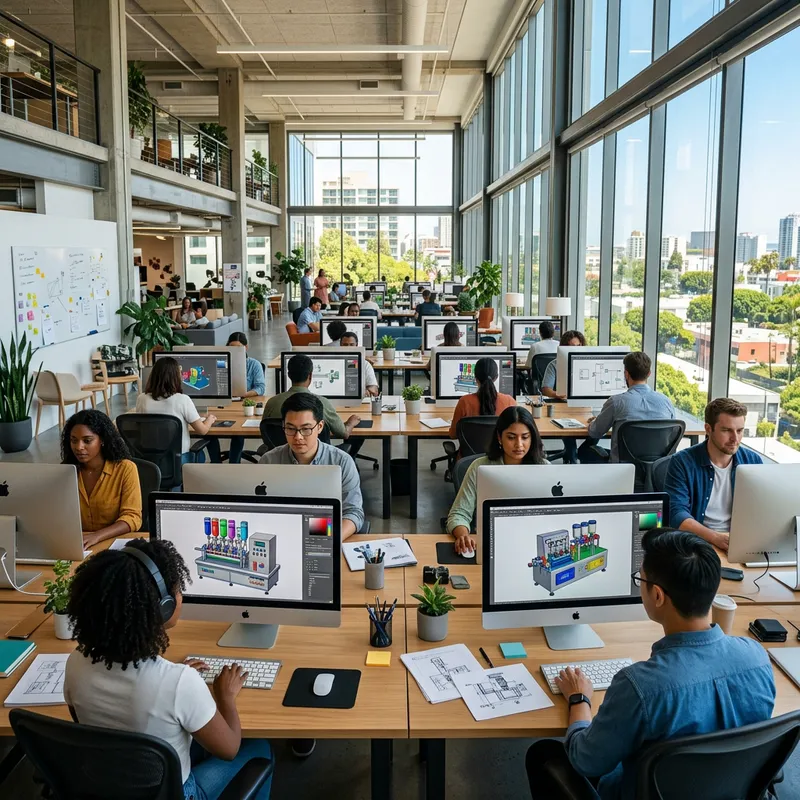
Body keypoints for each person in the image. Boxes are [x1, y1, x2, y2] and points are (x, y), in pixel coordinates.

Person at [526, 529, 775, 800]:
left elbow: (585, 761)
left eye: (639, 579)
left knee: (543, 754)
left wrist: (578, 699)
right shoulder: (757, 658)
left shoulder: (640, 687)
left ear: (657, 596)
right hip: (726, 791)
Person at [64, 538, 273, 800]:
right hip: (177, 794)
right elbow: (229, 748)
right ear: (163, 607)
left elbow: (86, 727)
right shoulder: (178, 683)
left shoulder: (75, 663)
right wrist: (225, 698)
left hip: (108, 787)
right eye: (177, 589)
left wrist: (169, 678)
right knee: (260, 748)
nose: (180, 595)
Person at [260, 392, 364, 539]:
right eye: (290, 428)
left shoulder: (341, 462)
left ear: (320, 426)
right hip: (280, 533)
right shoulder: (269, 461)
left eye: (306, 429)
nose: (298, 437)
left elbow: (354, 513)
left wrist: (329, 541)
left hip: (325, 532)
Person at [664, 397, 762, 552]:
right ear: (708, 429)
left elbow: (760, 509)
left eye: (739, 430)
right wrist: (715, 538)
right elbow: (676, 513)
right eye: (726, 430)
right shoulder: (682, 462)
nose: (735, 439)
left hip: (739, 542)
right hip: (697, 542)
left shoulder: (752, 461)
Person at [447, 406, 548, 555]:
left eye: (525, 437)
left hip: (533, 545)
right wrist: (463, 535)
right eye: (511, 437)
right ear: (499, 437)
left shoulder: (545, 470)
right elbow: (459, 514)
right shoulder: (480, 467)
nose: (519, 444)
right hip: (492, 545)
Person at [61, 409, 142, 548]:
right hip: (79, 545)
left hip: (113, 543)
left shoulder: (125, 469)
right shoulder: (66, 471)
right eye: (73, 440)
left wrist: (97, 536)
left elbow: (132, 517)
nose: (79, 447)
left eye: (87, 441)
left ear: (102, 440)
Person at [578, 351, 675, 464]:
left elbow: (595, 432)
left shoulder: (616, 402)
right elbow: (671, 435)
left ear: (626, 374)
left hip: (622, 468)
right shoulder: (666, 402)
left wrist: (595, 421)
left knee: (584, 451)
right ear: (649, 374)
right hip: (657, 468)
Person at [136, 356, 221, 466]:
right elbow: (202, 430)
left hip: (150, 461)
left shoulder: (142, 399)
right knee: (200, 456)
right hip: (177, 461)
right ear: (175, 377)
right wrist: (209, 419)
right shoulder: (182, 399)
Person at [263, 354, 361, 444]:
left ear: (289, 375)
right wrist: (350, 423)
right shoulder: (321, 403)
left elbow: (266, 432)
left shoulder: (272, 403)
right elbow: (343, 433)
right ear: (310, 376)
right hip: (315, 459)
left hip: (281, 458)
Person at [448, 357, 517, 441]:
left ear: (475, 378)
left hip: (470, 454)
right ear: (496, 377)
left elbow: (453, 434)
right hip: (500, 453)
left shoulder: (464, 402)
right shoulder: (510, 402)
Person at [225, 332, 266, 464]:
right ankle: (216, 463)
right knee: (209, 432)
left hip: (243, 404)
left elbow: (260, 387)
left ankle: (233, 465)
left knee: (238, 431)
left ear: (246, 348)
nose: (235, 351)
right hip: (224, 404)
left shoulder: (254, 365)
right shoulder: (222, 362)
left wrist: (243, 394)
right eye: (231, 347)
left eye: (238, 347)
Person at [340, 331, 379, 396]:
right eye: (345, 345)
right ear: (340, 345)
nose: (348, 348)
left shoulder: (365, 364)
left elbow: (374, 388)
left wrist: (367, 391)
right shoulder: (334, 362)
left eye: (351, 345)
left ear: (356, 345)